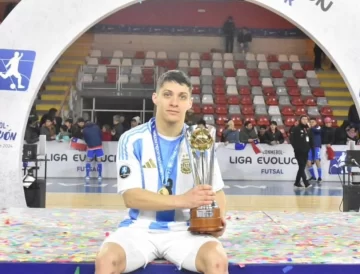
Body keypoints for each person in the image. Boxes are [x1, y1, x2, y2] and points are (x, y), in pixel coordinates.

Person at [95, 70, 228, 274]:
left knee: (217, 260)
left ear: (189, 103)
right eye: (168, 94)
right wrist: (185, 200)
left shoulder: (199, 139)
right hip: (140, 228)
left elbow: (216, 191)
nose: (174, 102)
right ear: (155, 98)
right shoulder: (132, 139)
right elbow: (131, 197)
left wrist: (218, 220)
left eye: (181, 96)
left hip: (186, 230)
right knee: (107, 259)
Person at [290, 115, 312, 188]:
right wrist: (296, 148)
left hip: (306, 151)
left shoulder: (307, 129)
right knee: (302, 166)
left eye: (306, 119)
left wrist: (309, 147)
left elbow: (309, 139)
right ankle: (306, 183)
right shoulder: (296, 129)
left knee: (301, 167)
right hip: (299, 151)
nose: (305, 120)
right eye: (303, 119)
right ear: (300, 120)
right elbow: (292, 139)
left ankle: (297, 182)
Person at [307, 118, 322, 183]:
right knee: (308, 162)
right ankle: (313, 177)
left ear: (316, 122)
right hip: (309, 147)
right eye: (310, 122)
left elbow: (318, 131)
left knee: (317, 160)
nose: (311, 123)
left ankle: (320, 177)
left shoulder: (318, 127)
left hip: (316, 146)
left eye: (313, 122)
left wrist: (310, 127)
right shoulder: (308, 129)